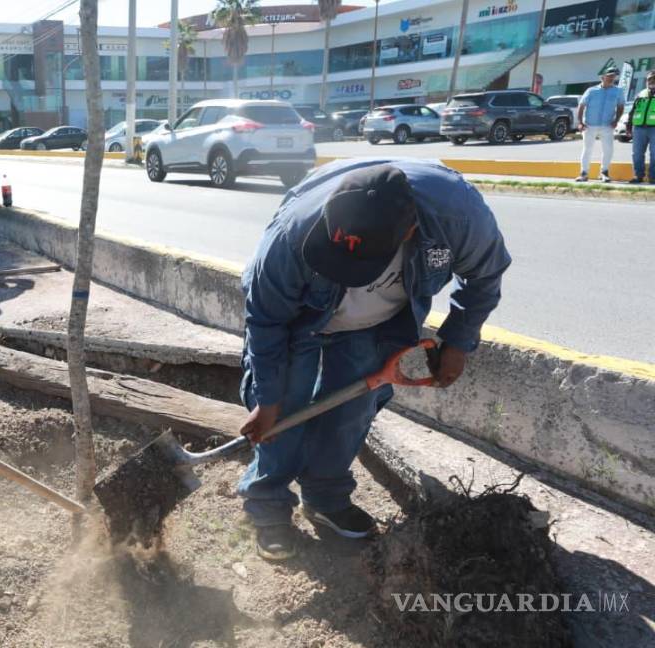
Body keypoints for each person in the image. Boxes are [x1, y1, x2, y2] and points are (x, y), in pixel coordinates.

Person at [237, 159, 511, 561]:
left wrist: (457, 341)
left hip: (376, 324)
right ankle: (268, 508)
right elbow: (266, 320)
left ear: (410, 232)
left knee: (351, 410)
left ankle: (327, 499)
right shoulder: (291, 235)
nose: (346, 273)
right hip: (301, 318)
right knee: (282, 415)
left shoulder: (458, 217)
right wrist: (268, 399)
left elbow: (485, 277)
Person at [576, 67, 626, 183]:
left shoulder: (618, 91)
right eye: (609, 76)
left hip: (607, 126)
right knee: (587, 149)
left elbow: (620, 106)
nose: (611, 78)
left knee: (608, 149)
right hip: (589, 125)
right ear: (602, 77)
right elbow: (581, 106)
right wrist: (580, 122)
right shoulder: (591, 90)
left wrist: (616, 120)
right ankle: (584, 173)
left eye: (613, 77)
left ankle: (604, 172)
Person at [627, 70, 655, 185]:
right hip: (638, 128)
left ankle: (653, 177)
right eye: (650, 79)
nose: (652, 81)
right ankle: (638, 176)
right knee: (637, 153)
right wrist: (628, 126)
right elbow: (633, 111)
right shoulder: (641, 93)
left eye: (654, 79)